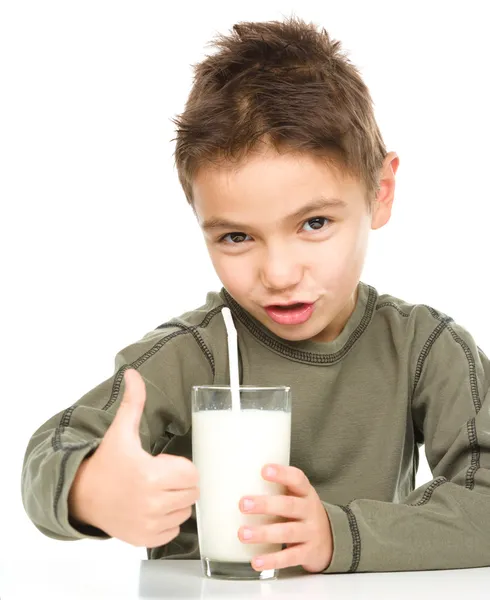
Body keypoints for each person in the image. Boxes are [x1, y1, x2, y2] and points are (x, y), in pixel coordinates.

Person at [21, 16, 490, 574]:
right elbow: (53, 448)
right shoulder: (191, 353)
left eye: (314, 223)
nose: (279, 272)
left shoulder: (422, 348)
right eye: (236, 236)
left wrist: (343, 537)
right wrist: (91, 491)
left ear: (380, 193)